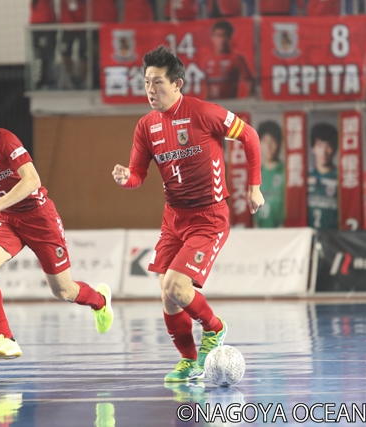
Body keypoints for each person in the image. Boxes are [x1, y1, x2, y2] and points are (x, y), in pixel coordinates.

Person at [112, 46, 263, 382]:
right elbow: (138, 175)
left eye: (158, 82)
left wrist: (254, 186)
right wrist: (126, 179)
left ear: (177, 84)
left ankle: (215, 327)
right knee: (168, 297)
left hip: (209, 217)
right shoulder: (146, 126)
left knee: (176, 286)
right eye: (146, 82)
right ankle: (189, 361)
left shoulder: (204, 112)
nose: (150, 90)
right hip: (173, 218)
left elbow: (249, 136)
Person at [0, 95, 113, 360]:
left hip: (39, 218)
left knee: (63, 291)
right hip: (9, 220)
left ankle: (100, 301)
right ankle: (6, 338)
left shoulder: (5, 141)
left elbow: (32, 180)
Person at [202, 20, 255, 100]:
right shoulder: (207, 60)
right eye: (218, 35)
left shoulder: (237, 58)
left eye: (224, 35)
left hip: (230, 104)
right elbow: (205, 86)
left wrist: (246, 103)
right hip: (212, 104)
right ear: (212, 37)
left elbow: (250, 82)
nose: (221, 39)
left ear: (230, 37)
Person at [307, 122, 339, 230]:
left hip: (333, 236)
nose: (323, 151)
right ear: (313, 148)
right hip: (308, 235)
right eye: (319, 146)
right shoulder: (305, 177)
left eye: (328, 146)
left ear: (334, 148)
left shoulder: (340, 178)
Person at [255, 120, 285, 228]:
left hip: (284, 232)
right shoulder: (254, 174)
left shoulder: (286, 173)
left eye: (273, 141)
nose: (269, 146)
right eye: (264, 141)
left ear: (279, 143)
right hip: (257, 233)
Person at [30, 0, 58, 90]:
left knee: (47, 55)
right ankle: (41, 81)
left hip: (47, 24)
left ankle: (46, 80)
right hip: (42, 24)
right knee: (42, 55)